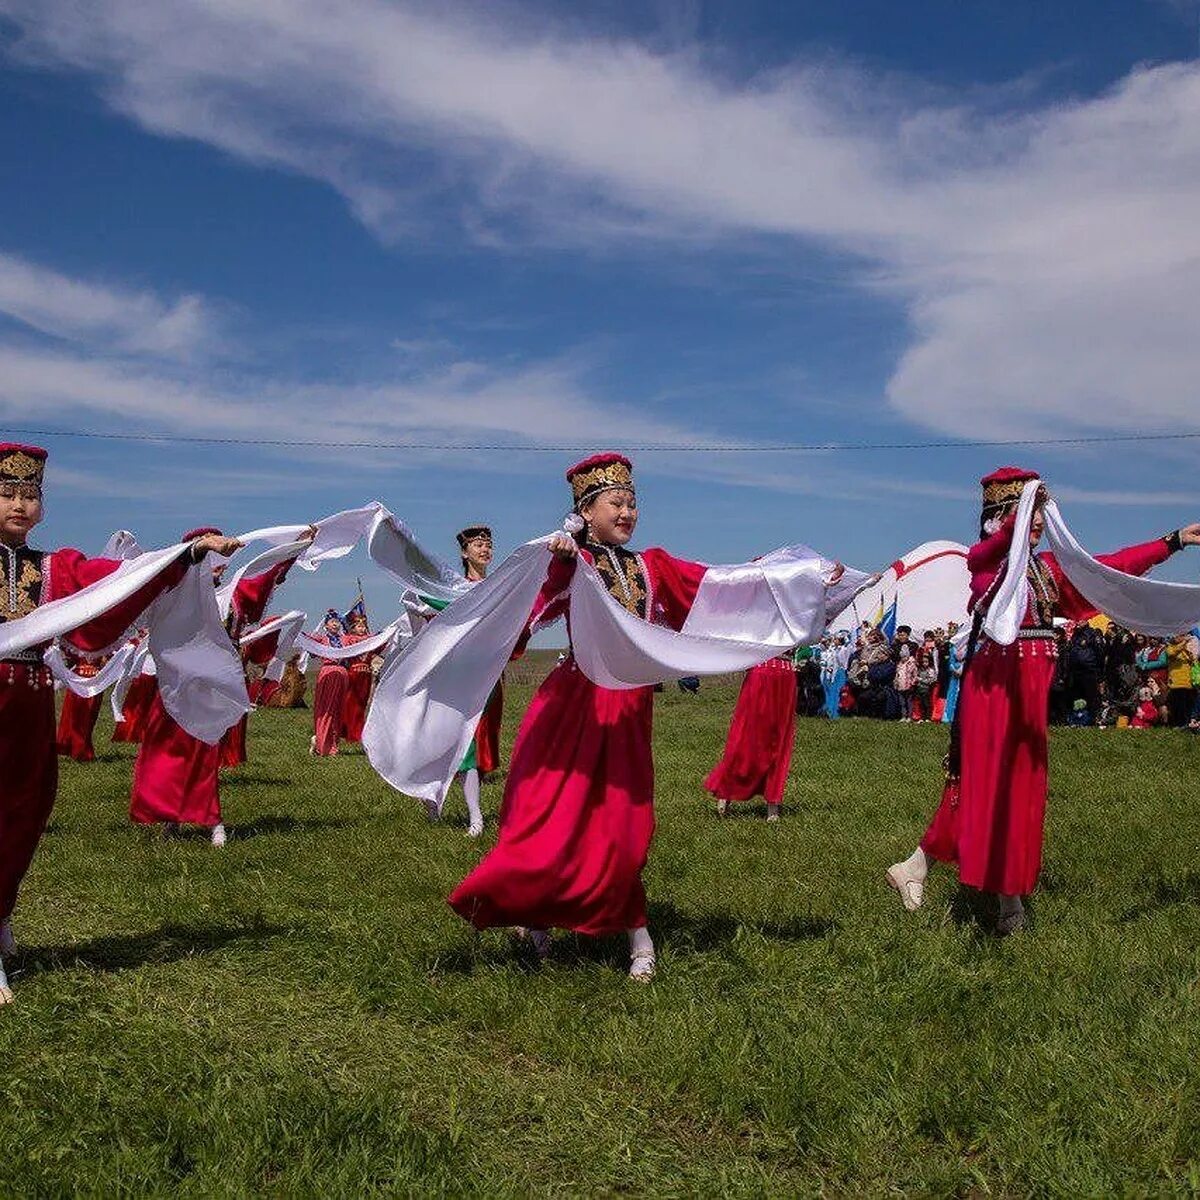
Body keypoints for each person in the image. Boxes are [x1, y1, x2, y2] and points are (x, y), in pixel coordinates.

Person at [886, 466, 1200, 934]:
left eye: (1039, 515)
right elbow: (985, 565)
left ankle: (920, 868)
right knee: (995, 788)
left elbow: (1109, 568)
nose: (1037, 523)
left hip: (1029, 697)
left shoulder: (1047, 571)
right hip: (996, 690)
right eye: (1026, 514)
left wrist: (1171, 541)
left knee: (1007, 789)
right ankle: (1007, 903)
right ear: (1003, 518)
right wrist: (1018, 520)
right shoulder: (987, 566)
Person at [448, 454, 711, 980]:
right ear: (586, 511)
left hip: (629, 708)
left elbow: (717, 588)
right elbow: (529, 610)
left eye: (633, 502)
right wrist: (559, 557)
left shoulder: (651, 565)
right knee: (557, 814)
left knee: (624, 822)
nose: (629, 511)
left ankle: (635, 930)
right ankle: (543, 918)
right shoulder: (573, 562)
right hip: (576, 704)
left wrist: (798, 581)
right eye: (617, 502)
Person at [0, 444, 238, 1004]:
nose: (19, 504)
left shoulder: (55, 568)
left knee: (24, 810)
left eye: (29, 495)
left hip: (30, 703)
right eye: (7, 493)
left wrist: (186, 553)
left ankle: (2, 908)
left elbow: (119, 580)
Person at [130, 527, 307, 844]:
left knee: (204, 753)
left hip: (212, 688)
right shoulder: (171, 596)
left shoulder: (233, 596)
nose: (218, 564)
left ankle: (212, 820)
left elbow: (267, 574)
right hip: (175, 685)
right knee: (166, 752)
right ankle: (171, 818)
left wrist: (296, 547)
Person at [705, 652, 798, 822]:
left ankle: (773, 802)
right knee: (747, 738)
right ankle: (726, 790)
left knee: (779, 740)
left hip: (785, 674)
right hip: (761, 670)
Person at [310, 610, 355, 757]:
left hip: (342, 674)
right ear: (326, 626)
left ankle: (332, 743)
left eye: (337, 621)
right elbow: (308, 643)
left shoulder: (345, 640)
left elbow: (361, 639)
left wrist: (382, 634)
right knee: (327, 709)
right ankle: (324, 745)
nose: (335, 624)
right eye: (332, 622)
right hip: (328, 673)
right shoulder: (322, 640)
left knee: (338, 710)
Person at [55, 651, 108, 763]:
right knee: (85, 717)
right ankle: (79, 749)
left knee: (77, 716)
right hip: (91, 680)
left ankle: (75, 747)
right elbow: (105, 661)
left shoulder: (76, 639)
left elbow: (69, 660)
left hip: (80, 679)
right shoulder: (105, 638)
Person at [340, 610, 374, 745]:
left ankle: (358, 733)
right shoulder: (349, 639)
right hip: (353, 674)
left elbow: (380, 645)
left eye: (364, 626)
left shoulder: (371, 640)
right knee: (350, 703)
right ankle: (347, 731)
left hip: (366, 676)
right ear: (353, 628)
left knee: (362, 704)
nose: (362, 628)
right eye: (359, 626)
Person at [1165, 633, 1197, 728]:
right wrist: (1184, 642)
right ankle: (1178, 723)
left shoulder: (1185, 648)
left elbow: (1193, 659)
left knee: (1188, 704)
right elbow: (1171, 653)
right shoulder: (1170, 647)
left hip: (1188, 681)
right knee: (1177, 705)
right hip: (1176, 682)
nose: (1183, 637)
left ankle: (1187, 723)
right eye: (1180, 635)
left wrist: (1189, 649)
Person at [894, 643, 917, 721]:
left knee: (909, 702)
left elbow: (915, 675)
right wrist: (896, 682)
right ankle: (903, 716)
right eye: (902, 657)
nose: (903, 658)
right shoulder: (899, 665)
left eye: (905, 657)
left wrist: (912, 683)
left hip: (908, 686)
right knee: (902, 703)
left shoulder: (911, 664)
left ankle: (909, 716)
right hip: (900, 686)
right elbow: (897, 675)